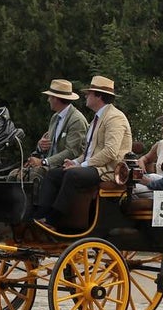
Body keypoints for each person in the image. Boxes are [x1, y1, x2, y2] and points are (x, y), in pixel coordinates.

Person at [32, 75, 132, 227]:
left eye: (89, 93)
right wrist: (75, 161)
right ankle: (40, 216)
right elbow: (89, 151)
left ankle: (55, 220)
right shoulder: (96, 119)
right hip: (95, 167)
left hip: (109, 170)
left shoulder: (114, 118)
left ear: (98, 96)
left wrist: (82, 165)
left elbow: (110, 152)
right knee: (54, 174)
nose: (86, 96)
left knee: (73, 175)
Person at [20, 79, 88, 181]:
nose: (48, 100)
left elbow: (72, 152)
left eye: (50, 97)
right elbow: (49, 145)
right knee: (14, 175)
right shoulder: (55, 117)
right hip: (50, 165)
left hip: (64, 166)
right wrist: (41, 146)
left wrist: (44, 162)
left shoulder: (76, 120)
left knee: (33, 176)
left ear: (57, 99)